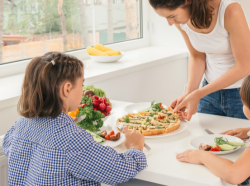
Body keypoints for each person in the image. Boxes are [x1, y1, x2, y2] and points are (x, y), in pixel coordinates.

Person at [2, 52, 147, 186]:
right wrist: (135, 149)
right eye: (82, 84)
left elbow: (8, 144)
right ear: (67, 89)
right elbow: (117, 170)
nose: (83, 90)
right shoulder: (70, 138)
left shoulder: (21, 124)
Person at [148, 0, 250, 120]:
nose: (171, 22)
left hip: (246, 92)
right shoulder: (181, 20)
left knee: (245, 143)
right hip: (210, 91)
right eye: (166, 18)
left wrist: (198, 93)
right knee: (203, 141)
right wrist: (189, 93)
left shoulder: (229, 10)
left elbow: (244, 66)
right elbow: (197, 56)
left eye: (172, 15)